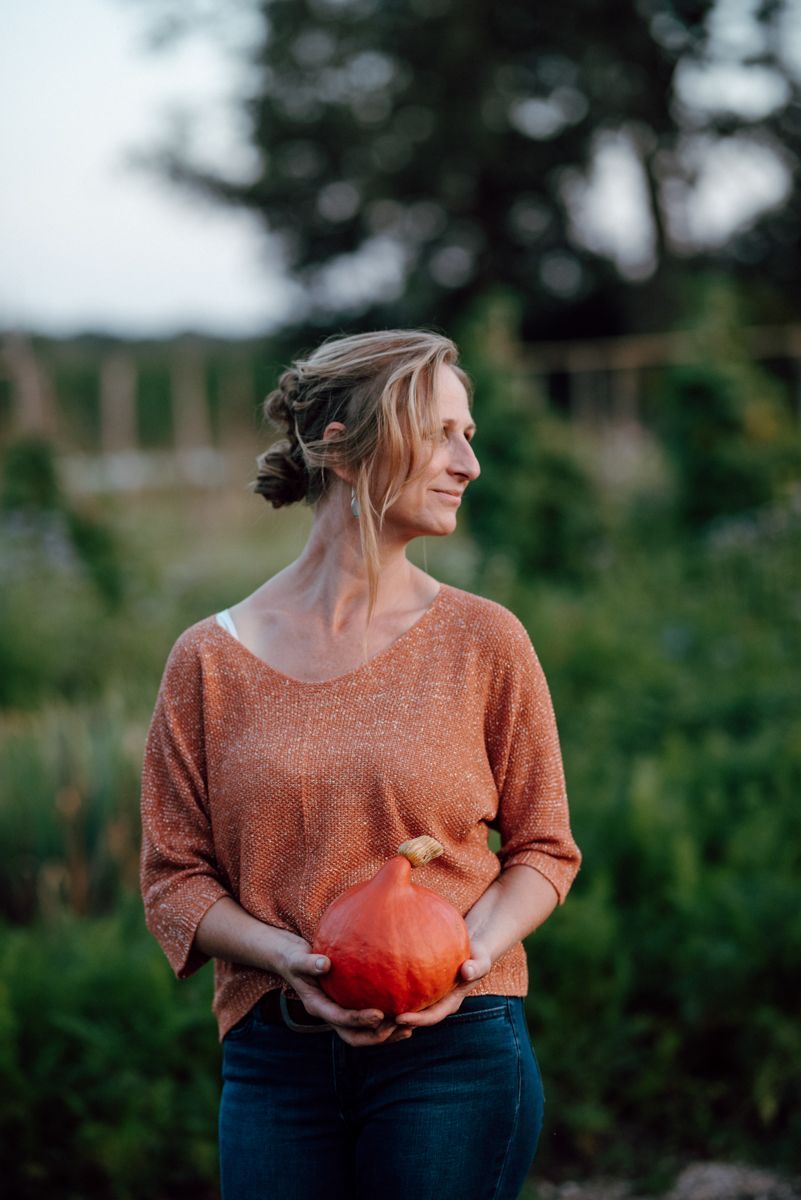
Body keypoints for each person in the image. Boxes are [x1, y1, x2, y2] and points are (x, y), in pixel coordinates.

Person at [139, 328, 582, 1200]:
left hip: (456, 1051)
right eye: (441, 432)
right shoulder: (208, 660)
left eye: (470, 436)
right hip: (275, 1058)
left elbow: (544, 848)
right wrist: (293, 961)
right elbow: (174, 880)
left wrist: (465, 960)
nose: (468, 463)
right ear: (341, 445)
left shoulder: (485, 640)